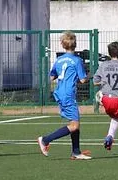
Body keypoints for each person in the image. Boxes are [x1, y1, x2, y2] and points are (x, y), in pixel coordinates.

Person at [37, 31, 91, 160]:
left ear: (63, 45)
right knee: (74, 125)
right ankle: (45, 140)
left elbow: (52, 76)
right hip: (68, 94)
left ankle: (76, 152)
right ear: (75, 44)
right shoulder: (77, 60)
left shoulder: (59, 60)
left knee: (74, 122)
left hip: (59, 92)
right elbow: (83, 80)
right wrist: (92, 75)